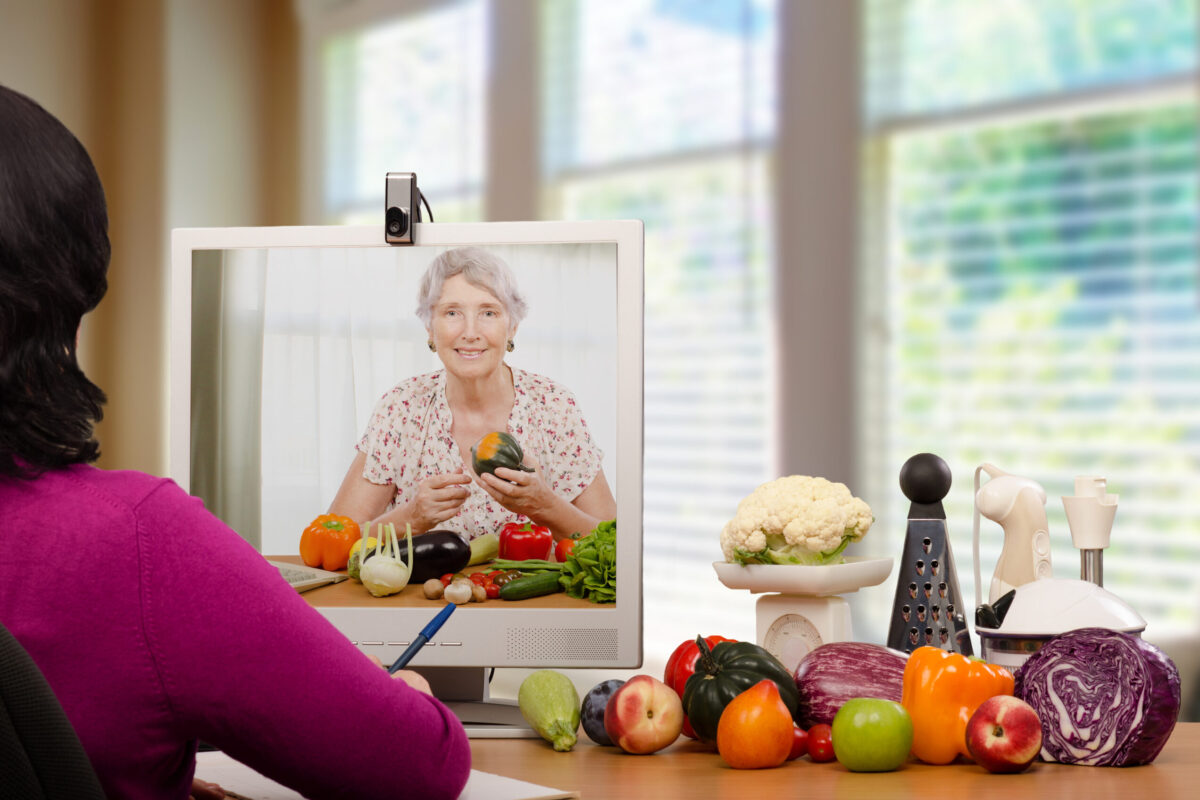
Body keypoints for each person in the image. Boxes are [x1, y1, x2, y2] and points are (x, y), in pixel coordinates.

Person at [0, 85, 470, 800]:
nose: (469, 331)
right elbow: (418, 767)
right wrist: (401, 687)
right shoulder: (133, 541)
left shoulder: (548, 410)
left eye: (487, 313)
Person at [329, 247, 617, 542]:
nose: (470, 332)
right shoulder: (401, 408)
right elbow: (331, 542)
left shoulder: (554, 406)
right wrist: (411, 517)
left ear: (513, 326)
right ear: (429, 327)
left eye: (488, 313)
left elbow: (616, 545)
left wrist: (545, 505)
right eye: (452, 312)